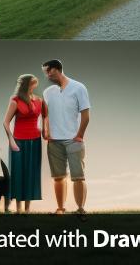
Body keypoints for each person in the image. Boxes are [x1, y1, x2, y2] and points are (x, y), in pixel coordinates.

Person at [42, 59, 91, 215]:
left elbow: (86, 115)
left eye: (48, 71)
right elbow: (46, 115)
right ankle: (60, 209)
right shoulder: (48, 92)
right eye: (45, 72)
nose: (47, 75)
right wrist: (46, 131)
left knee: (78, 176)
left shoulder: (79, 88)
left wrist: (79, 135)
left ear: (57, 69)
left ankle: (80, 209)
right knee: (58, 177)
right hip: (54, 142)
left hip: (73, 140)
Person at [3, 74, 47, 213]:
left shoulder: (39, 100)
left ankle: (27, 210)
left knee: (30, 173)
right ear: (26, 85)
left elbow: (45, 115)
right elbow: (5, 122)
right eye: (32, 84)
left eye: (35, 84)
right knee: (18, 173)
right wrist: (11, 139)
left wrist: (44, 130)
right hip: (18, 142)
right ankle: (18, 209)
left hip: (35, 141)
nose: (35, 86)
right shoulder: (15, 101)